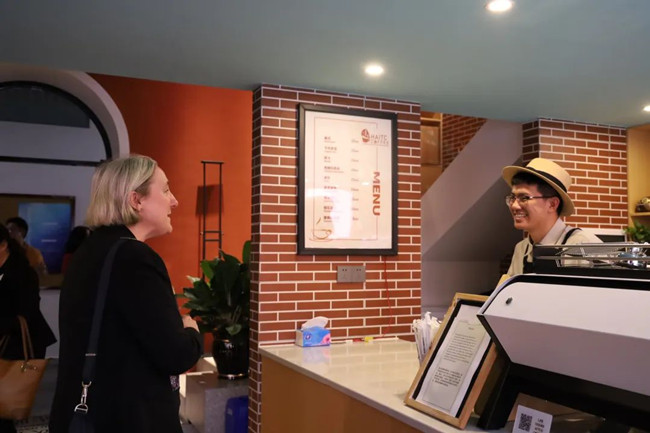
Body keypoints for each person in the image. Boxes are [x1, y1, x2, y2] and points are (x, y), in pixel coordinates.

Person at [49, 155, 202, 433]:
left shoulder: (91, 250)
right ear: (136, 200)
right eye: (165, 190)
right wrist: (191, 330)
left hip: (88, 412)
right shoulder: (135, 257)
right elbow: (176, 355)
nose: (174, 201)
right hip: (127, 417)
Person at [0, 223, 56, 433]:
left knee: (9, 397)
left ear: (3, 245)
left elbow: (27, 310)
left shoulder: (22, 271)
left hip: (21, 340)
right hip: (6, 339)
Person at [502, 157, 601, 276]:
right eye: (513, 198)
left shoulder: (585, 246)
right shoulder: (521, 249)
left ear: (552, 204)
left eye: (524, 198)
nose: (514, 205)